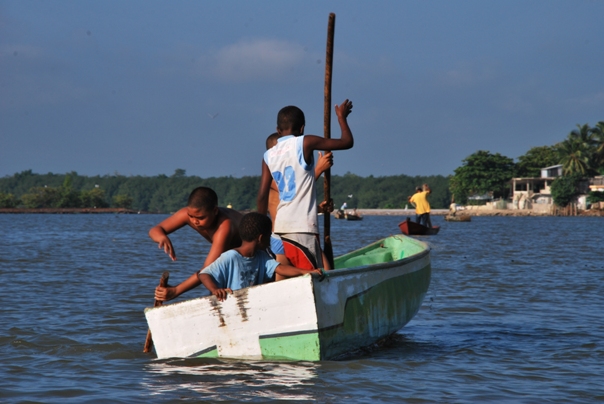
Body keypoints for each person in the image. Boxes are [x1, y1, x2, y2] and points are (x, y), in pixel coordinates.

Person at [257, 99, 354, 270]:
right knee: (315, 275)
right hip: (301, 227)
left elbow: (262, 196)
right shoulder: (305, 142)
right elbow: (347, 142)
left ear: (278, 130)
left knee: (289, 275)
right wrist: (341, 117)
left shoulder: (268, 155)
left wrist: (260, 229)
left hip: (280, 227)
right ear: (302, 128)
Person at [158, 212, 320, 302]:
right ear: (261, 238)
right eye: (269, 236)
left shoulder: (261, 256)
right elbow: (204, 274)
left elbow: (280, 268)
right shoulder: (231, 257)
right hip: (230, 304)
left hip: (249, 304)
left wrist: (304, 272)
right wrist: (215, 290)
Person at [150, 187, 242, 301]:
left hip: (251, 256)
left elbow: (208, 269)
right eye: (191, 216)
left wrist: (176, 291)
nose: (194, 221)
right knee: (215, 288)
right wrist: (161, 236)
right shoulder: (189, 214)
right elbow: (155, 230)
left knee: (218, 285)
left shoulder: (225, 226)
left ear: (215, 211)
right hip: (227, 257)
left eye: (201, 218)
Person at [264, 133, 334, 275]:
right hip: (284, 234)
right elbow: (295, 189)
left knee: (283, 278)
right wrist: (319, 169)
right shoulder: (275, 177)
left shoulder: (284, 173)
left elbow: (293, 202)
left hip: (282, 232)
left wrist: (319, 209)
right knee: (326, 272)